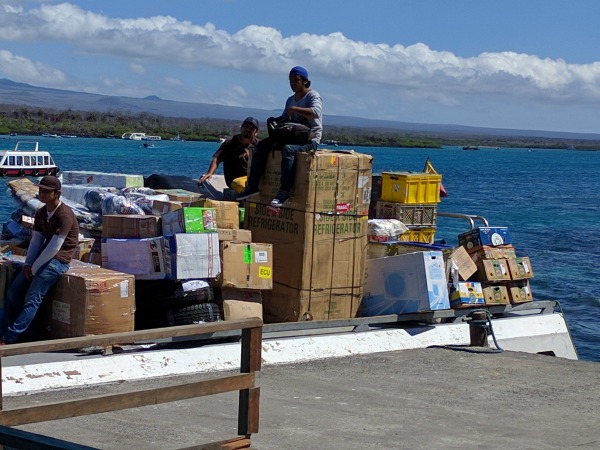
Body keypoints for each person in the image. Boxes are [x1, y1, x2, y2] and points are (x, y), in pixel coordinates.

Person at [0, 175, 79, 345]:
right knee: (12, 292)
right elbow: (36, 241)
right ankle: (25, 331)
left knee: (32, 298)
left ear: (56, 194)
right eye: (40, 190)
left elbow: (55, 248)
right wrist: (28, 264)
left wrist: (34, 269)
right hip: (40, 259)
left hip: (58, 261)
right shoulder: (42, 212)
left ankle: (9, 337)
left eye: (46, 191)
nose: (41, 194)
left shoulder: (64, 215)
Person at [237, 66, 323, 207]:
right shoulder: (290, 100)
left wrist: (295, 109)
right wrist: (275, 121)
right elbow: (285, 118)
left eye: (296, 80)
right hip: (291, 136)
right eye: (290, 81)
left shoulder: (313, 96)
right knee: (260, 147)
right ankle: (252, 187)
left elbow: (316, 112)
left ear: (305, 81)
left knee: (288, 150)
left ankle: (284, 191)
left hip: (309, 140)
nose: (293, 84)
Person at [198, 117, 259, 191]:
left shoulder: (258, 145)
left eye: (252, 128)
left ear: (256, 132)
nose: (248, 130)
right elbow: (217, 159)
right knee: (242, 185)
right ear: (241, 128)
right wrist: (209, 173)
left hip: (250, 178)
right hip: (235, 180)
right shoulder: (230, 142)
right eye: (246, 126)